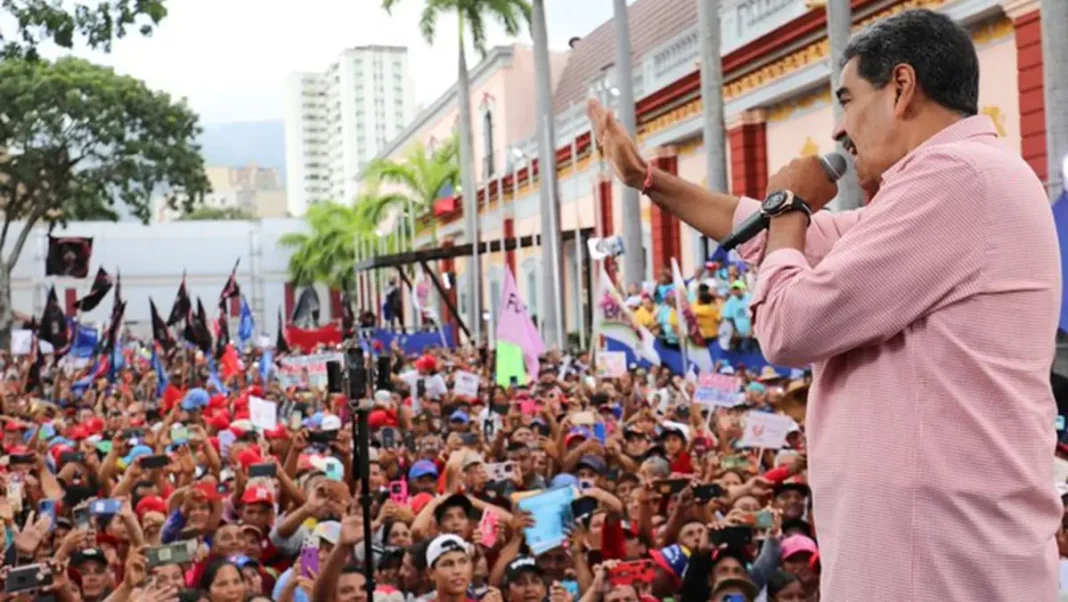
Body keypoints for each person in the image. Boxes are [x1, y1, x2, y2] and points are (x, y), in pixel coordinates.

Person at [587, 8, 1059, 601]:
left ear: (902, 88)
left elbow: (788, 327)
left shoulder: (957, 178)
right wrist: (649, 180)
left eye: (848, 98)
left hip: (938, 565)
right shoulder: (949, 183)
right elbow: (779, 236)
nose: (840, 128)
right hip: (927, 555)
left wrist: (789, 206)